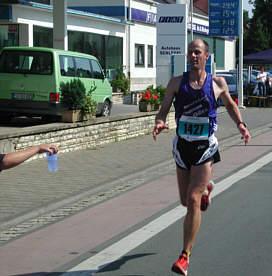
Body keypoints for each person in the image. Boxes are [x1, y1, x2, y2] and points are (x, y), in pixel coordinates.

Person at [153, 38, 251, 275]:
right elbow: (164, 108)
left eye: (197, 52)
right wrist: (159, 122)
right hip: (182, 147)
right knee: (186, 202)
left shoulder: (217, 83)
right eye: (190, 52)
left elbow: (229, 105)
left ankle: (184, 256)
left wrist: (241, 124)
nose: (193, 56)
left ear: (207, 56)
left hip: (205, 147)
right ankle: (206, 189)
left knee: (194, 201)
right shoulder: (177, 82)